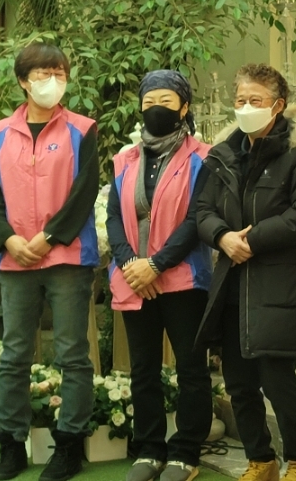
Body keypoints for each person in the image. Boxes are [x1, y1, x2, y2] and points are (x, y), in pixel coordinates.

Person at [195, 64, 296, 481]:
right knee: (238, 383)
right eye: (240, 100)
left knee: (278, 380)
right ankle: (261, 461)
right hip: (232, 285)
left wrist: (252, 240)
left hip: (280, 285)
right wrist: (222, 237)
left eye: (256, 100)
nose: (246, 108)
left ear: (278, 105)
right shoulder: (222, 155)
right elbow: (202, 209)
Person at [0, 43, 99, 481]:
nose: (52, 81)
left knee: (72, 354)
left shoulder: (82, 129)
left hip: (66, 256)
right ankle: (11, 445)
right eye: (42, 73)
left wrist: (48, 237)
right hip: (16, 259)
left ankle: (68, 446)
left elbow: (85, 190)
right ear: (23, 81)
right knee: (14, 353)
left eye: (59, 73)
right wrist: (9, 239)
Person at [107, 70, 213, 481]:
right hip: (134, 279)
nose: (156, 109)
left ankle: (186, 453)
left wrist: (156, 264)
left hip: (183, 278)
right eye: (149, 102)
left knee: (191, 368)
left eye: (166, 102)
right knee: (143, 369)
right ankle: (149, 450)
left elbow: (197, 218)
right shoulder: (125, 159)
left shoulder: (203, 157)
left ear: (184, 108)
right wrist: (131, 263)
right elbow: (114, 217)